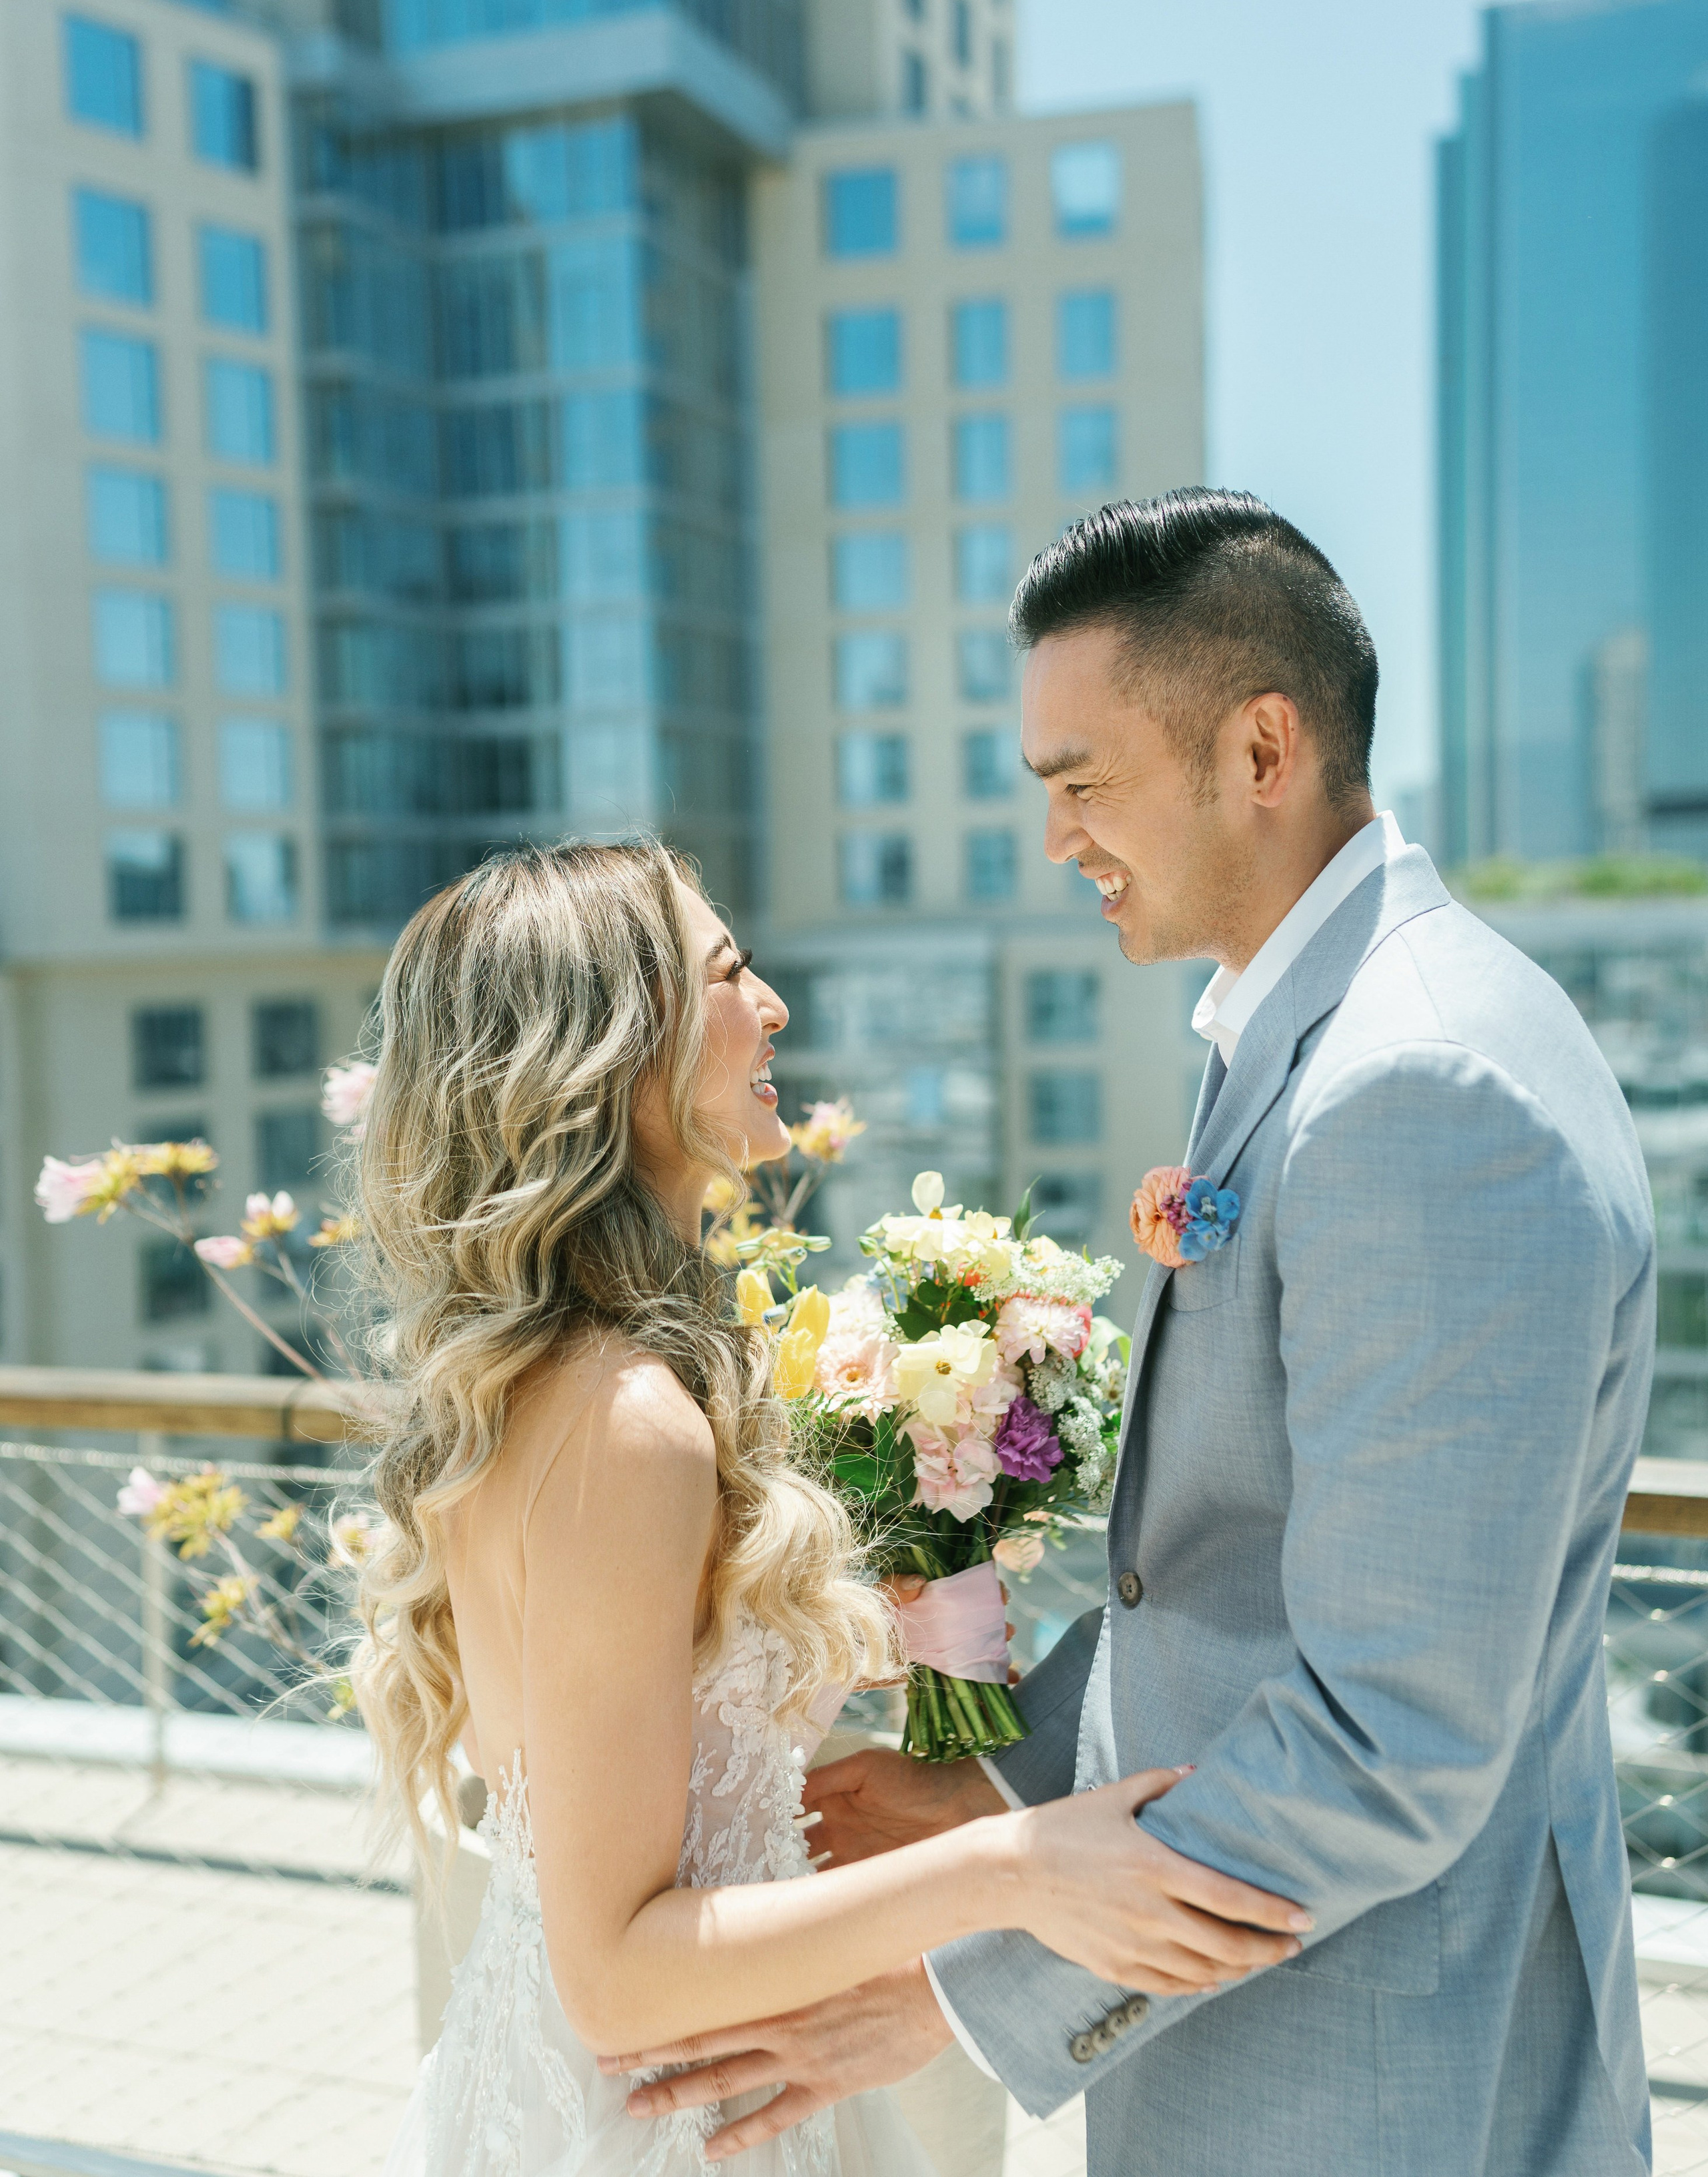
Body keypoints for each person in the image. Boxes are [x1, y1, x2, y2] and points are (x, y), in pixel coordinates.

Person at [606, 491, 1657, 2175]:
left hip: (1371, 2070)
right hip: (1261, 2013)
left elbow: (1389, 1736)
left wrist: (957, 1991)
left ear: (1260, 749)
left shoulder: (1416, 1085)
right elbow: (1233, 1588)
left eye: (1081, 782)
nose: (1056, 838)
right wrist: (990, 1780)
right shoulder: (1313, 1032)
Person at [356, 837, 1308, 2177]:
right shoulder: (623, 1420)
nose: (774, 1005)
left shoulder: (581, 1383)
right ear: (611, 1051)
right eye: (726, 973)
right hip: (659, 2119)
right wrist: (1017, 1864)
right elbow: (614, 1977)